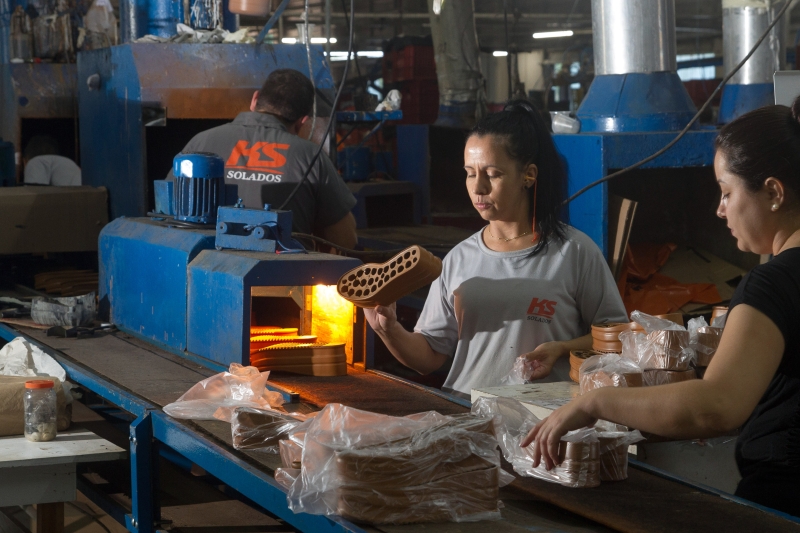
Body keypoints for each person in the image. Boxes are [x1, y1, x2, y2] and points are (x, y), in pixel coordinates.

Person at [523, 99, 800, 517]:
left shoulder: (773, 284)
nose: (720, 209)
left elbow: (716, 406)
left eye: (727, 192)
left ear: (774, 192)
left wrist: (593, 403)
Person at [365, 101, 628, 398]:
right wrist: (389, 329)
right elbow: (429, 356)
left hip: (541, 419)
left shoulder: (574, 253)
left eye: (492, 174)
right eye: (469, 173)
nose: (478, 188)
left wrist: (563, 349)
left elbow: (618, 339)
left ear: (528, 175)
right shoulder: (458, 259)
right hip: (467, 412)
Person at [168, 69, 357, 249]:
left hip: (202, 263)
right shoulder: (311, 156)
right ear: (303, 121)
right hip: (284, 270)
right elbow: (346, 239)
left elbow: (166, 211)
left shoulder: (201, 142)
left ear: (255, 99)